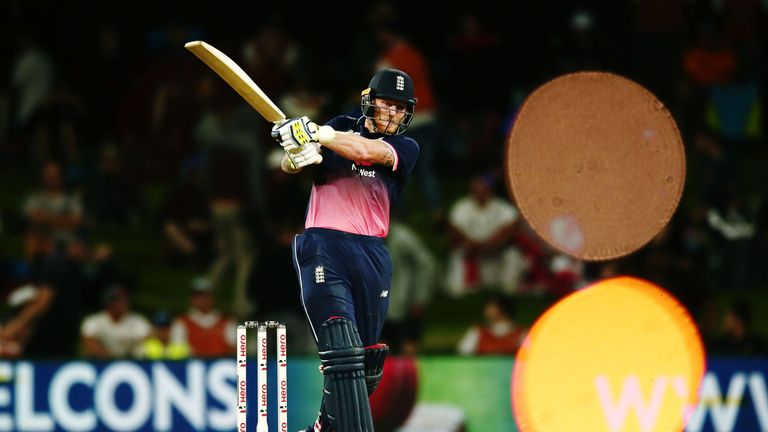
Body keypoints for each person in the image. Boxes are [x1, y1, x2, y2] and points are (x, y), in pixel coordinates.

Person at [270, 68, 419, 432]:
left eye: (400, 109)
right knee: (343, 350)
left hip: (372, 254)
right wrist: (297, 153)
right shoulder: (341, 125)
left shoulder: (406, 147)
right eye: (386, 104)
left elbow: (365, 150)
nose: (392, 114)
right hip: (325, 244)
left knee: (366, 366)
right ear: (369, 101)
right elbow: (307, 161)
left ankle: (322, 428)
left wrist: (317, 133)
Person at [456, 294, 527, 356]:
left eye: (491, 307)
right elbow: (463, 355)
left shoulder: (521, 334)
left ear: (502, 309)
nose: (486, 311)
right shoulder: (477, 332)